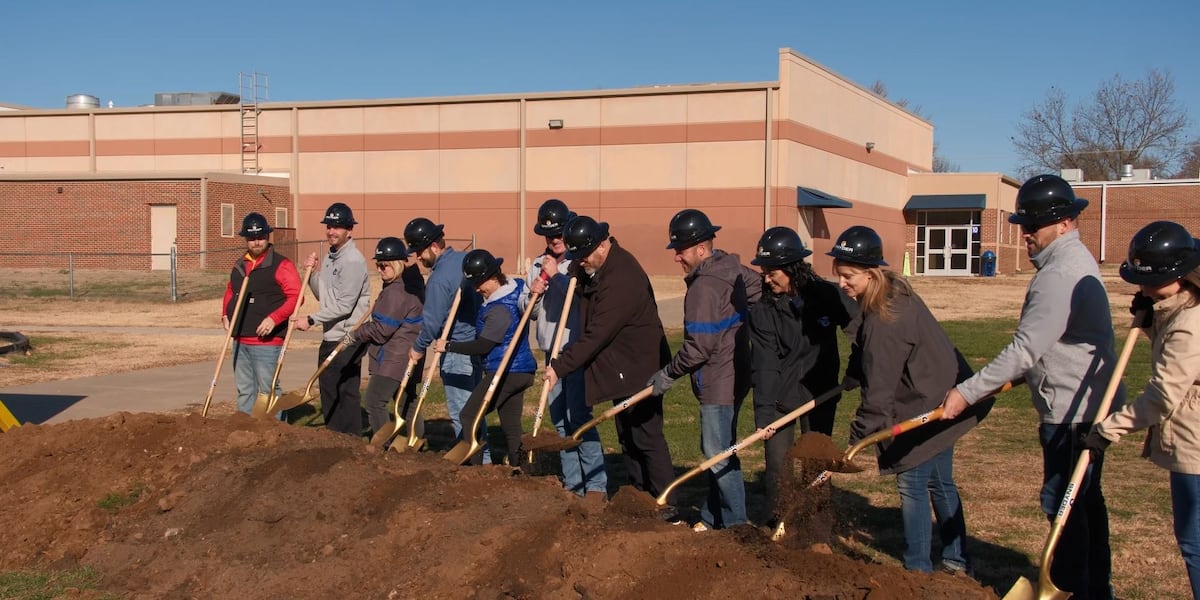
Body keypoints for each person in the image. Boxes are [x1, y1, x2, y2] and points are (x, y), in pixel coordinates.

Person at [942, 174, 1120, 598]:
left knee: (1065, 507)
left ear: (1063, 223)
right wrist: (1031, 372)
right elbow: (1056, 341)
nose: (1025, 234)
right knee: (1086, 507)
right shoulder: (1074, 261)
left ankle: (1074, 588)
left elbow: (1025, 348)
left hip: (1072, 414)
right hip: (1084, 406)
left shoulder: (1060, 273)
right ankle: (1096, 589)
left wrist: (966, 391)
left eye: (1033, 225)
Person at [832, 225, 986, 575]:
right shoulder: (890, 295)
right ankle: (956, 559)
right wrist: (855, 370)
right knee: (939, 482)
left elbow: (880, 392)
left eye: (848, 276)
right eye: (839, 275)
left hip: (929, 403)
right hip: (942, 393)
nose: (842, 283)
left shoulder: (888, 319)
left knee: (913, 484)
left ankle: (918, 570)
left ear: (871, 274)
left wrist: (857, 440)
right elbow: (867, 350)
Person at [1085, 221, 1200, 598]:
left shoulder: (1189, 322)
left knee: (1194, 540)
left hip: (1195, 445)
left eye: (1150, 281)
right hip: (1189, 439)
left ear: (1179, 275)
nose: (1143, 288)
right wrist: (1152, 321)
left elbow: (1165, 393)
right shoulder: (1180, 308)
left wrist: (1108, 429)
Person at [545, 215, 675, 504]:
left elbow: (596, 335)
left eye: (584, 256)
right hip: (622, 368)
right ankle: (638, 497)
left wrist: (559, 368)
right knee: (627, 436)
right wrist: (577, 280)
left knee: (646, 437)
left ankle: (666, 502)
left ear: (602, 245)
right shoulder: (601, 267)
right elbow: (588, 294)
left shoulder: (621, 279)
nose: (581, 262)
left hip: (641, 366)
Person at [644, 209, 753, 531]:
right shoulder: (734, 269)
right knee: (721, 449)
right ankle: (713, 515)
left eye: (681, 251)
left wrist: (668, 374)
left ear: (702, 249)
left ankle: (735, 525)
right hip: (737, 372)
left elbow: (699, 347)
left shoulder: (704, 287)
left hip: (719, 379)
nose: (676, 257)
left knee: (717, 453)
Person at [748, 226, 856, 527]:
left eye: (773, 273)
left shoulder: (826, 295)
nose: (767, 279)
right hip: (781, 398)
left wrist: (857, 368)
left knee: (816, 463)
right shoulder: (763, 311)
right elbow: (765, 363)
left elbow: (860, 330)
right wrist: (765, 414)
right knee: (777, 467)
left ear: (792, 269)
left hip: (820, 394)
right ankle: (777, 523)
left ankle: (817, 527)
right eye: (764, 272)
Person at [526, 199, 608, 501]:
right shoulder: (537, 263)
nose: (554, 240)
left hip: (574, 352)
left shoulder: (578, 263)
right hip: (551, 352)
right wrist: (534, 292)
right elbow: (528, 311)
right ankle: (574, 485)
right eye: (549, 236)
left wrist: (557, 277)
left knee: (580, 418)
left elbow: (580, 299)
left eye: (558, 233)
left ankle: (597, 486)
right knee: (560, 421)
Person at [434, 249, 535, 468]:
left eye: (480, 283)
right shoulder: (515, 288)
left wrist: (449, 346)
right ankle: (522, 470)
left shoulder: (499, 309)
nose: (477, 289)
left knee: (469, 416)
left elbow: (484, 345)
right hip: (519, 371)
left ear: (493, 276)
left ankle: (476, 469)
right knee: (511, 427)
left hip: (506, 371)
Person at [403, 217, 485, 459]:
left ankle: (471, 464)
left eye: (419, 251)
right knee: (475, 409)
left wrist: (418, 348)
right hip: (476, 346)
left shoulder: (438, 279)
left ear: (433, 246)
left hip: (455, 350)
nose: (417, 257)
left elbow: (432, 322)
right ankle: (486, 460)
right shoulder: (465, 260)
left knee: (462, 412)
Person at [295, 202, 370, 436]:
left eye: (337, 226)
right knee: (328, 387)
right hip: (331, 335)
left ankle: (350, 439)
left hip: (349, 336)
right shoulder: (330, 257)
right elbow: (325, 297)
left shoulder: (353, 261)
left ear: (350, 230)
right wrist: (311, 276)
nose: (331, 231)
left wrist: (311, 319)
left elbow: (345, 305)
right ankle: (333, 435)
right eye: (329, 226)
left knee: (345, 389)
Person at [221, 212, 301, 416]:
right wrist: (225, 314)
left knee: (269, 390)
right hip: (240, 339)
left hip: (267, 343)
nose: (256, 242)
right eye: (252, 238)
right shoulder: (240, 265)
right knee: (245, 391)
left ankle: (275, 434)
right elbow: (231, 290)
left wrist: (274, 318)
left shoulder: (281, 265)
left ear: (267, 236)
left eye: (260, 237)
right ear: (246, 239)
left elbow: (296, 297)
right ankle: (246, 433)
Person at [352, 237, 423, 439]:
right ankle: (414, 443)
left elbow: (382, 329)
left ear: (398, 264)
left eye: (385, 266)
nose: (381, 270)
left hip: (394, 357)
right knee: (407, 402)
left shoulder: (396, 292)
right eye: (378, 265)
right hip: (409, 355)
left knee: (375, 400)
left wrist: (356, 334)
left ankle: (384, 445)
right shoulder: (409, 285)